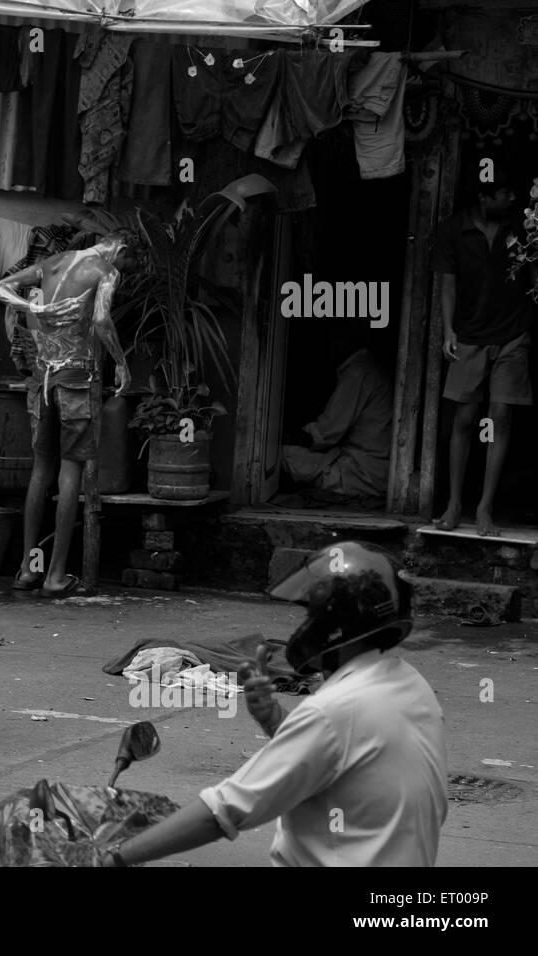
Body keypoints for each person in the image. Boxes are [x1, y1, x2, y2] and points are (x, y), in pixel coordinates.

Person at [99, 541, 448, 867]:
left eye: (310, 615)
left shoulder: (336, 710)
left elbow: (222, 812)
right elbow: (334, 765)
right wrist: (276, 720)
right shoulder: (412, 686)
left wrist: (113, 859)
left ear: (334, 625)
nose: (303, 627)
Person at [0, 235, 132, 598]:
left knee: (41, 470)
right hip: (76, 380)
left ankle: (26, 569)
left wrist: (31, 309)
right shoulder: (106, 271)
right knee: (71, 470)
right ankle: (53, 576)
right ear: (121, 250)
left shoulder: (53, 262)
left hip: (42, 379)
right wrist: (122, 363)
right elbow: (100, 319)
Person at [433, 167, 538, 536]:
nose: (513, 198)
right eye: (505, 193)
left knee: (498, 419)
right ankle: (454, 504)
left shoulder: (523, 227)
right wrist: (448, 331)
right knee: (464, 420)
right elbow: (447, 284)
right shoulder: (452, 230)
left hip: (512, 334)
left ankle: (484, 508)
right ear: (483, 197)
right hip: (471, 335)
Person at [281, 323, 394, 499]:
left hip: (360, 472)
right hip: (371, 468)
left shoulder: (358, 372)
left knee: (281, 455)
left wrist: (283, 436)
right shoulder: (366, 368)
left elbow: (326, 432)